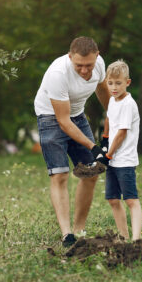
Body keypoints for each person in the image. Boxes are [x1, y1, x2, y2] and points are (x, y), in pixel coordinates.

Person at [34, 37, 111, 247]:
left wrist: (114, 112)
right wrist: (93, 147)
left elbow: (102, 89)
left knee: (91, 173)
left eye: (89, 65)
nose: (85, 71)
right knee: (60, 174)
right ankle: (67, 234)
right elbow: (63, 122)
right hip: (51, 117)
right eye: (79, 66)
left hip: (76, 115)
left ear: (97, 56)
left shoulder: (100, 64)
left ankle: (79, 230)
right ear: (70, 57)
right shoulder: (58, 73)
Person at [101, 59, 142, 241]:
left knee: (131, 200)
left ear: (127, 82)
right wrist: (104, 142)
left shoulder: (128, 104)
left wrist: (108, 154)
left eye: (118, 83)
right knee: (112, 199)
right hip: (112, 158)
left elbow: (122, 133)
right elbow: (109, 120)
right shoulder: (112, 100)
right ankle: (123, 238)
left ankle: (136, 239)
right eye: (110, 83)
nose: (114, 87)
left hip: (124, 159)